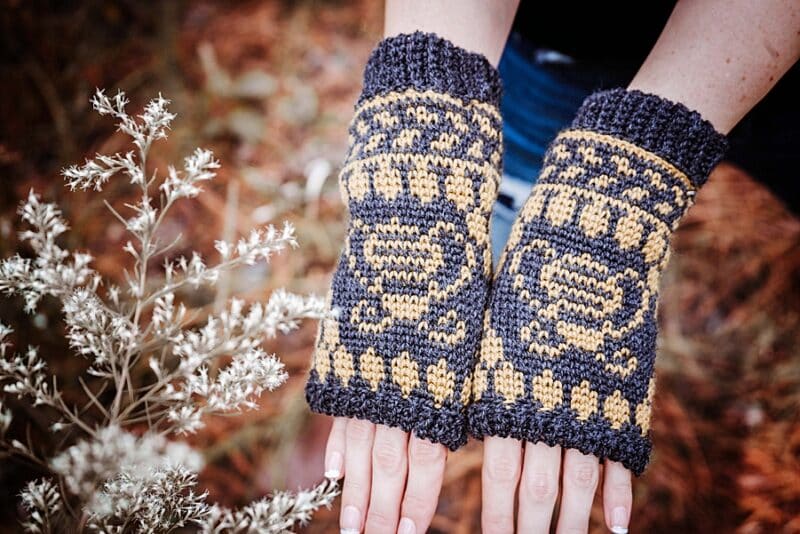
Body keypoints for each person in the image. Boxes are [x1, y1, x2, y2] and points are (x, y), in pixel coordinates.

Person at [304, 1, 800, 533]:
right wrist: (425, 136)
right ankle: (475, 330)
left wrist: (638, 161)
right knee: (502, 205)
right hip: (549, 43)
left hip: (761, 52)